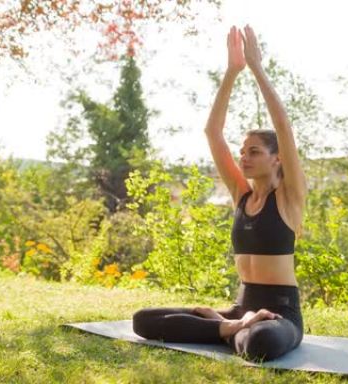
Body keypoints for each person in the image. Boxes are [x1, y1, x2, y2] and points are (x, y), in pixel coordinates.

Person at [132, 24, 308, 363]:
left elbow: (283, 126)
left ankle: (227, 328)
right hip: (242, 307)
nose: (244, 157)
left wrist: (256, 67)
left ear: (277, 158)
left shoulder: (289, 197)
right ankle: (232, 327)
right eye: (243, 151)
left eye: (254, 151)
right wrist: (232, 71)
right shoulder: (241, 194)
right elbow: (213, 132)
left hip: (281, 314)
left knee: (261, 344)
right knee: (143, 320)